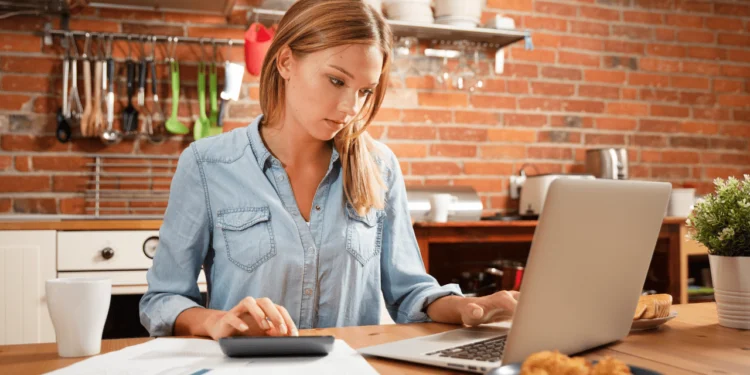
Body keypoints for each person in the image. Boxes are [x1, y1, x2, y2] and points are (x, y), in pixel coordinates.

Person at [139, 0, 519, 341]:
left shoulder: (380, 166)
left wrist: (471, 308)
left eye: (364, 91)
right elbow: (163, 298)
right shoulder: (207, 164)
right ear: (286, 62)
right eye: (336, 80)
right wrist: (217, 322)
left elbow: (409, 291)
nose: (349, 107)